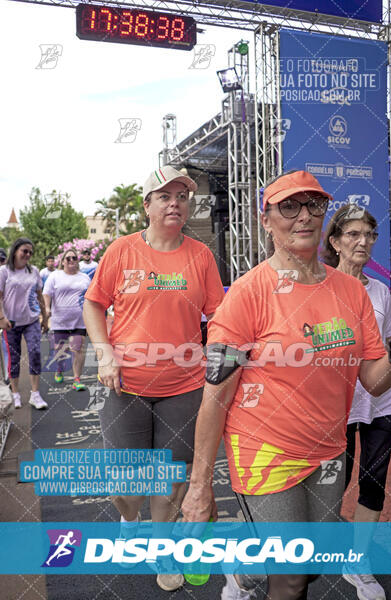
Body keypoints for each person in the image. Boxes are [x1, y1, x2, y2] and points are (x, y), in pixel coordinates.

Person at [181, 170, 391, 600]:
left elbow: (375, 382)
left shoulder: (351, 292)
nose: (304, 216)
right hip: (263, 450)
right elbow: (215, 397)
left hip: (328, 451)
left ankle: (242, 568)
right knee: (291, 576)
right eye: (289, 207)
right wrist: (200, 485)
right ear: (266, 220)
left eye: (314, 205)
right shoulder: (247, 294)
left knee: (312, 564)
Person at [83, 165, 225, 592]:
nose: (175, 203)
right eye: (164, 196)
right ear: (147, 206)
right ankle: (129, 520)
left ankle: (163, 551)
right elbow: (93, 305)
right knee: (123, 486)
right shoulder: (122, 251)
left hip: (183, 388)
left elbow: (218, 314)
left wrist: (218, 350)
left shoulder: (200, 256)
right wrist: (105, 354)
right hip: (125, 386)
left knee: (169, 480)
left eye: (182, 196)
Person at [323, 205, 391, 600]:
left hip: (379, 404)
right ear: (334, 242)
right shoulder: (318, 288)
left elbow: (390, 348)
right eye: (352, 234)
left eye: (368, 235)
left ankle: (358, 561)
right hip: (332, 407)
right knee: (330, 489)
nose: (363, 242)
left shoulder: (381, 291)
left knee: (372, 485)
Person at [0, 238, 48, 409]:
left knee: (35, 352)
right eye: (24, 251)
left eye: (30, 252)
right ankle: (15, 393)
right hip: (10, 322)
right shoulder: (4, 271)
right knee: (14, 358)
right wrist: (1, 318)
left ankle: (35, 394)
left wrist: (45, 317)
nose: (27, 255)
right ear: (15, 251)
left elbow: (39, 295)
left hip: (32, 320)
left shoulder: (34, 271)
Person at [43, 248, 91, 391]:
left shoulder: (84, 278)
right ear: (63, 261)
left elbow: (90, 296)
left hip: (79, 320)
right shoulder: (55, 276)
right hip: (59, 321)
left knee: (78, 348)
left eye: (74, 258)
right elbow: (46, 293)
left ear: (77, 261)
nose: (71, 260)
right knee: (60, 350)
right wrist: (47, 307)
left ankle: (77, 379)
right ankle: (59, 368)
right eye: (68, 258)